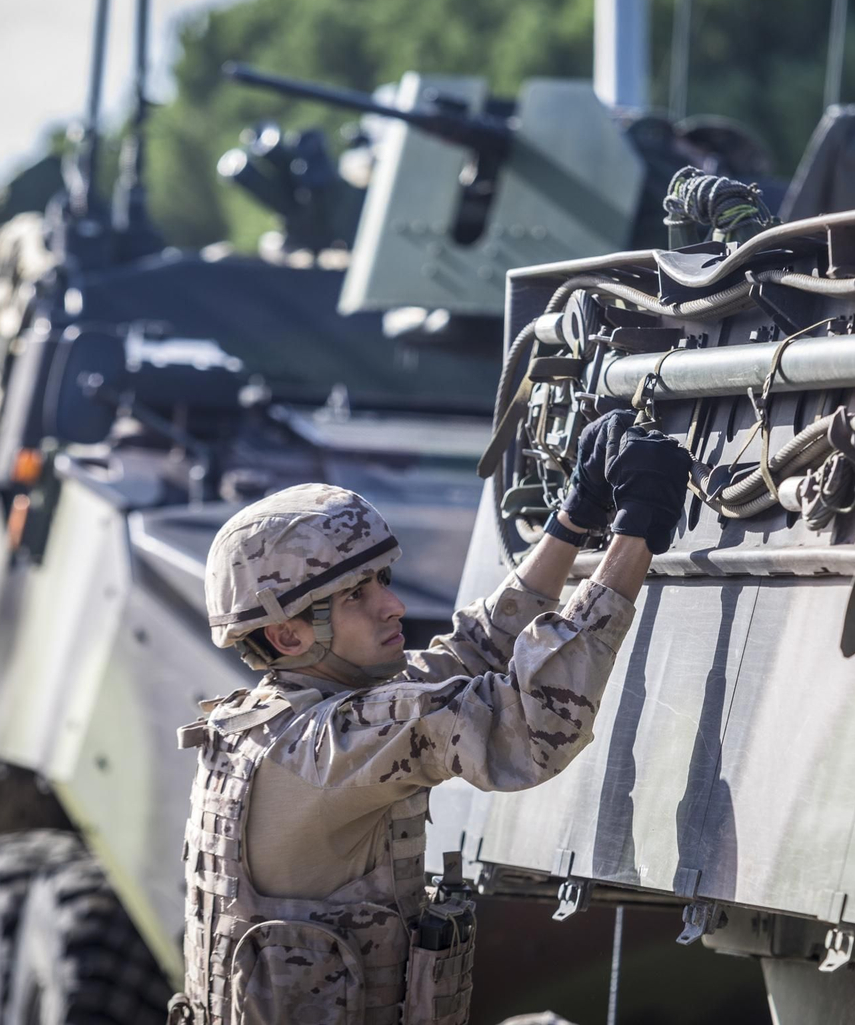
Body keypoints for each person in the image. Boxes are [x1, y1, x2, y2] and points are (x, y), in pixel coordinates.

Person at [169, 411, 688, 1025]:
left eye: (381, 579)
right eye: (357, 595)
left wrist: (574, 518)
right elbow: (526, 724)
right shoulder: (329, 749)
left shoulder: (277, 723)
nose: (393, 604)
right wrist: (636, 536)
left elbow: (464, 657)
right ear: (288, 635)